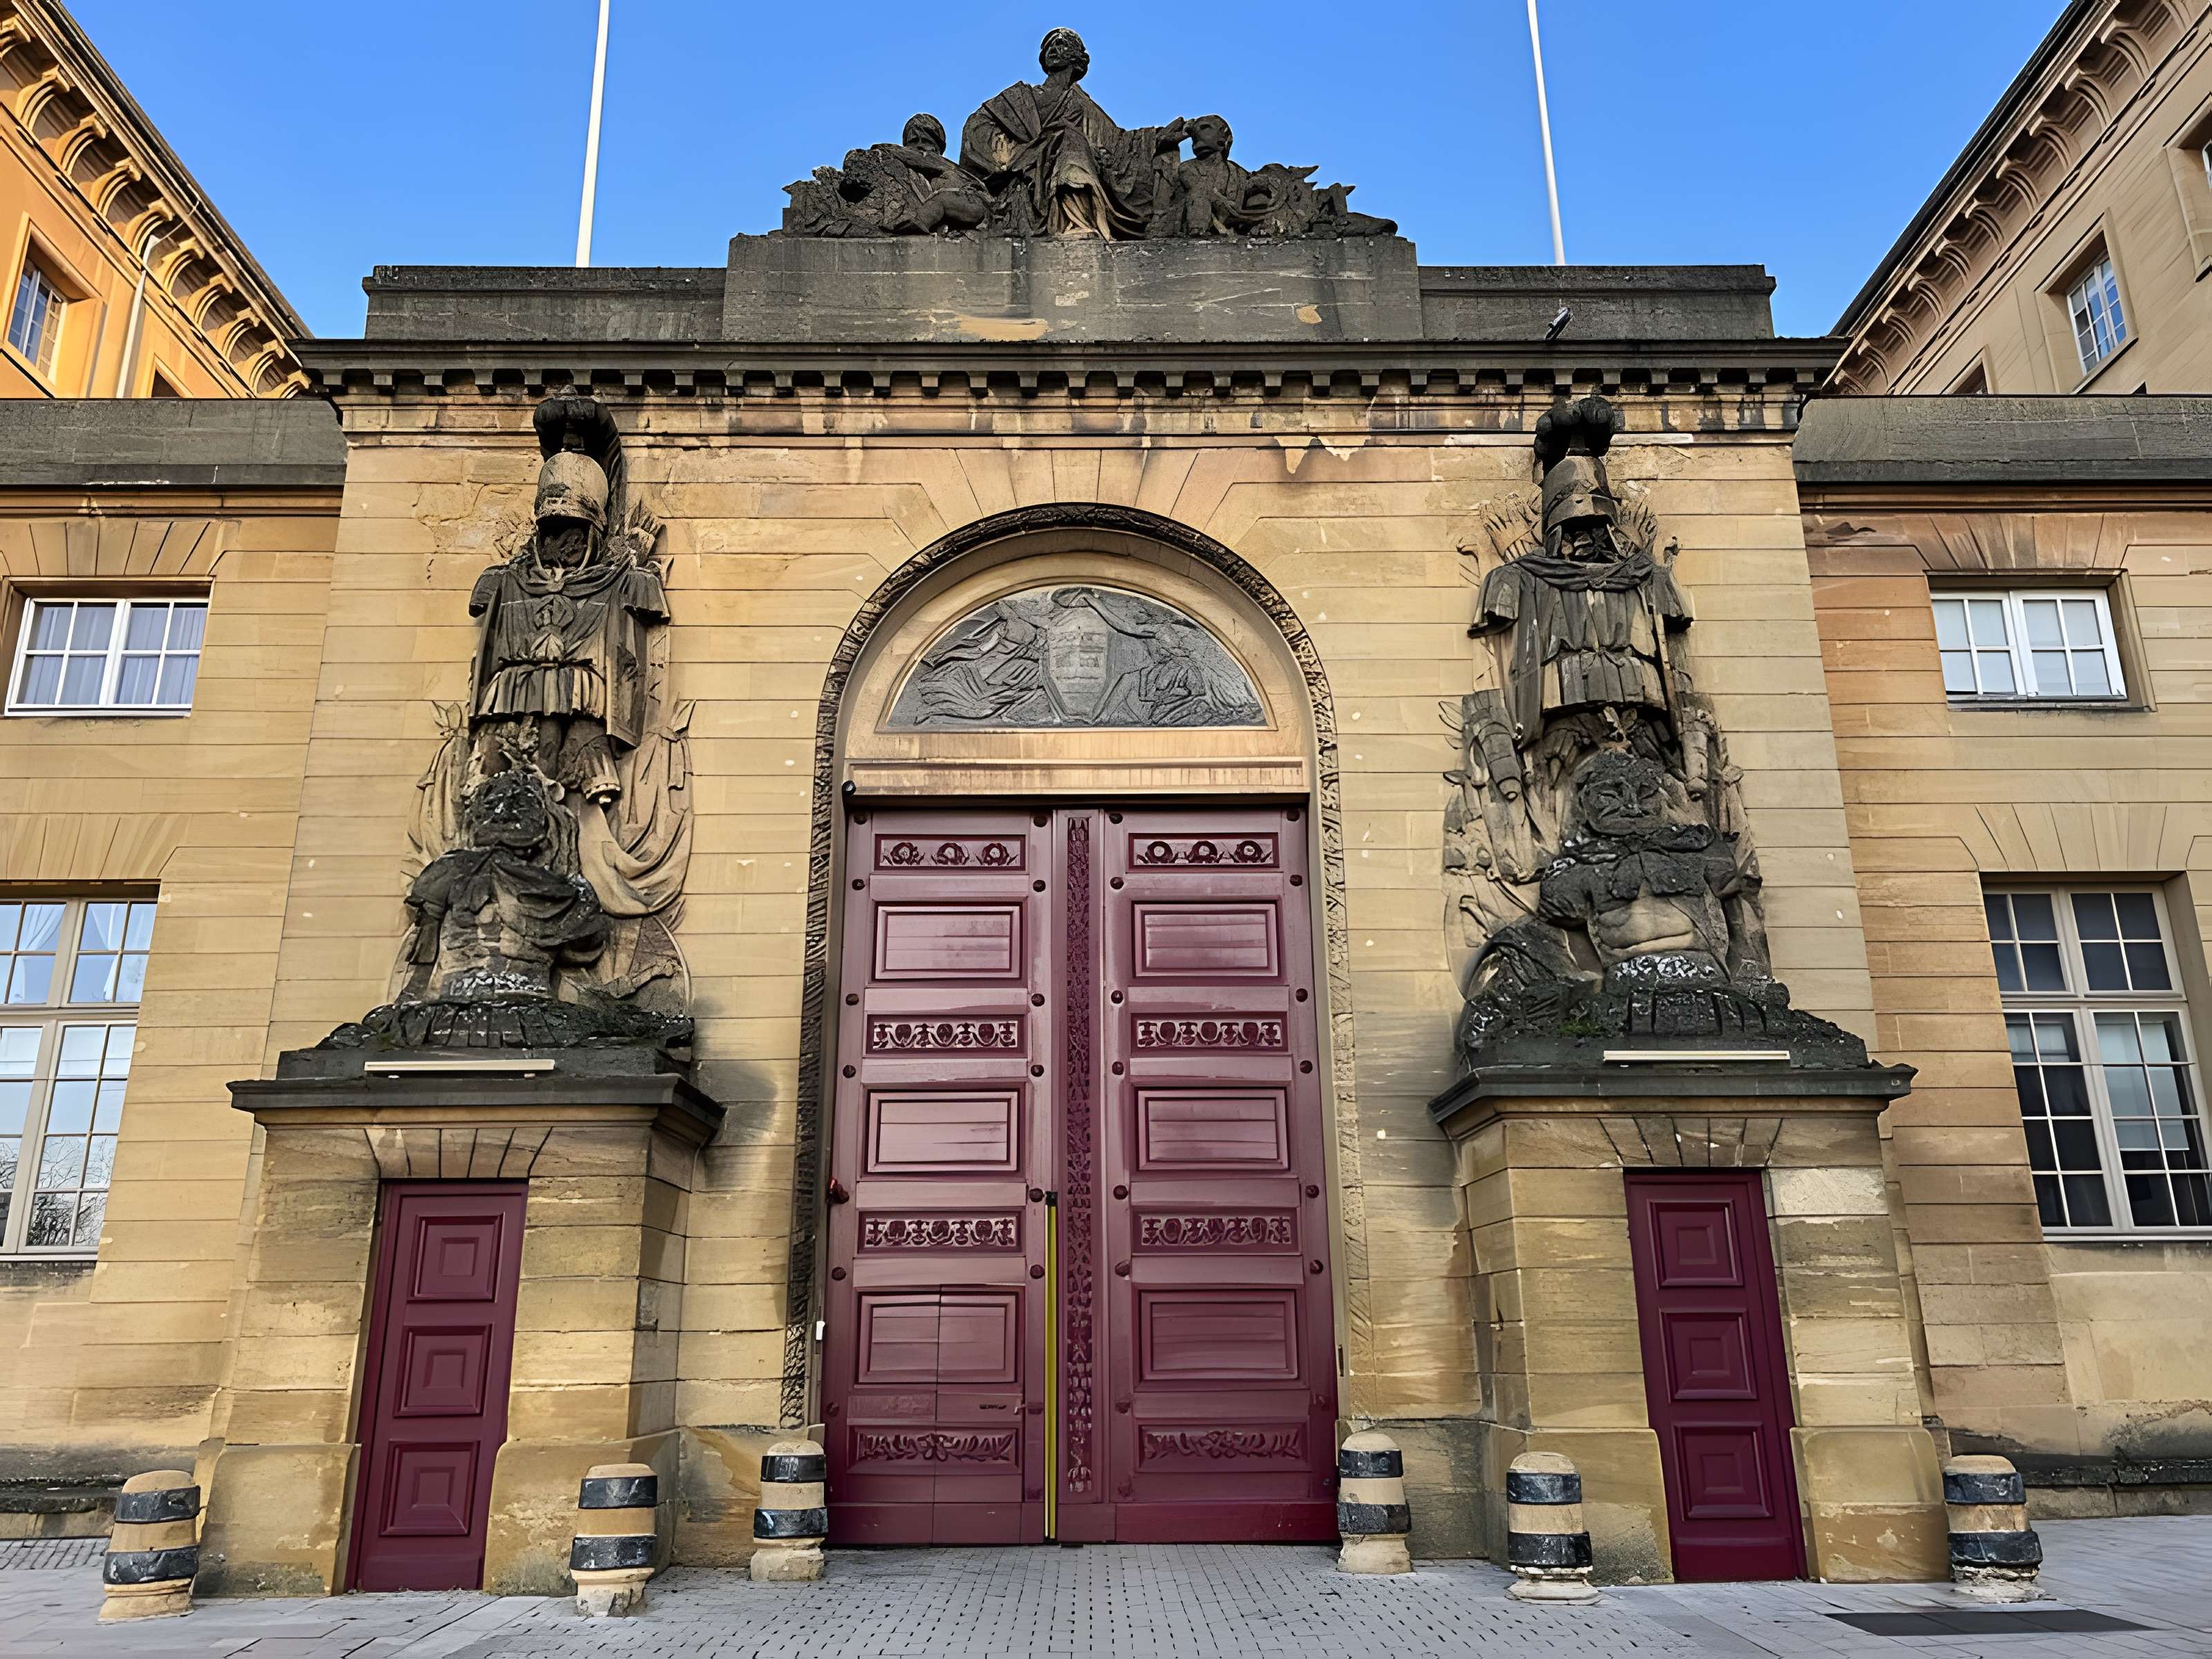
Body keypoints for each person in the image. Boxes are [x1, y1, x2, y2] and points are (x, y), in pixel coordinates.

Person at [960, 27, 1187, 238]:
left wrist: (1158, 139)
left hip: (1058, 168)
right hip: (1021, 171)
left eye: (1062, 45)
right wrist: (1016, 151)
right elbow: (977, 125)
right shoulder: (1020, 96)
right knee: (1069, 136)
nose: (1054, 50)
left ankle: (1077, 222)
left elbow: (1117, 143)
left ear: (1077, 58)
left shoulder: (1079, 104)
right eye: (1050, 47)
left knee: (1071, 139)